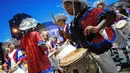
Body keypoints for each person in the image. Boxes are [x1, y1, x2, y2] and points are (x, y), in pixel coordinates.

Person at [62, 0, 118, 73]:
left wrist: (97, 27)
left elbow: (110, 14)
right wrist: (68, 37)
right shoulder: (73, 22)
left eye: (68, 6)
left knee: (109, 70)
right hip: (85, 54)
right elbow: (78, 39)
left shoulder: (89, 12)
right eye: (65, 7)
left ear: (76, 3)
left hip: (99, 49)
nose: (67, 9)